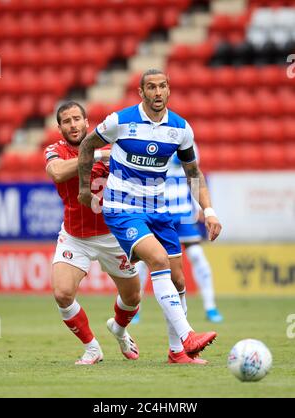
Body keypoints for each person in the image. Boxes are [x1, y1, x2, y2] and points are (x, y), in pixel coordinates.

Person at [77, 69, 222, 365]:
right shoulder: (121, 121)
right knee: (157, 260)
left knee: (179, 279)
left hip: (158, 208)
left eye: (163, 86)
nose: (158, 92)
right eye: (152, 87)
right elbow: (88, 145)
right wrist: (83, 189)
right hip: (122, 208)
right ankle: (187, 336)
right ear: (141, 93)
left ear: (169, 90)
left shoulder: (180, 128)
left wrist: (208, 210)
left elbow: (194, 174)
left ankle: (176, 352)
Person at [44, 101, 141, 365]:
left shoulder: (113, 150)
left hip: (113, 235)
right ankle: (92, 348)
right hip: (76, 236)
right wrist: (94, 156)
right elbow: (56, 172)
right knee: (63, 294)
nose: (73, 125)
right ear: (59, 127)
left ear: (87, 123)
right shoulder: (56, 151)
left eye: (77, 119)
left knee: (132, 297)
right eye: (67, 121)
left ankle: (119, 330)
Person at [133, 153, 223, 324]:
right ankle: (135, 309)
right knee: (144, 262)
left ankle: (211, 307)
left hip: (182, 214)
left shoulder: (185, 138)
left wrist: (201, 207)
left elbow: (193, 174)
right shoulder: (149, 139)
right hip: (157, 212)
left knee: (197, 255)